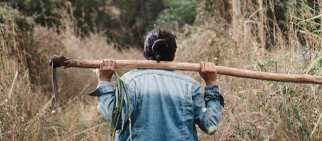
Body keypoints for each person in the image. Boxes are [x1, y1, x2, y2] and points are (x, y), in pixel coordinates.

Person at [89, 28, 224, 141]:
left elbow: (116, 119)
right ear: (173, 55)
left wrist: (104, 81)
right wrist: (211, 83)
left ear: (145, 55)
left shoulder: (130, 82)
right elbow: (210, 126)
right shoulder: (190, 86)